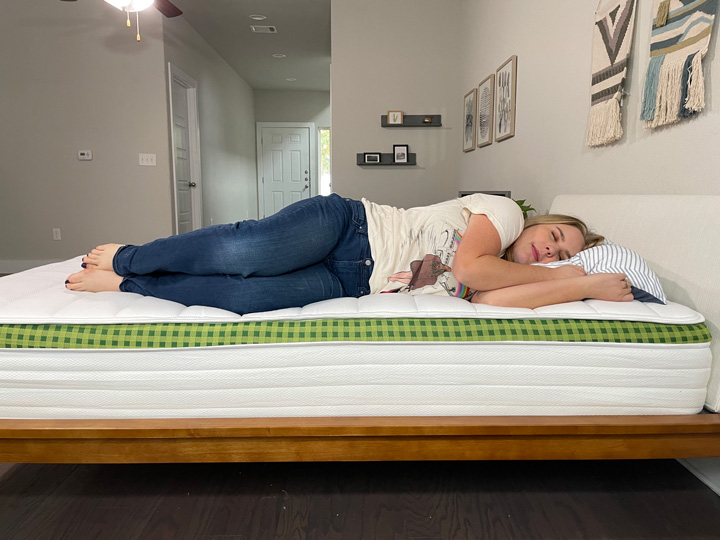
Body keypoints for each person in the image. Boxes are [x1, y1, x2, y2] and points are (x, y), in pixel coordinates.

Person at [65, 193, 634, 314]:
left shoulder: (513, 275)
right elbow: (468, 270)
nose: (547, 249)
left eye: (559, 254)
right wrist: (572, 275)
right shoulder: (504, 214)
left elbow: (487, 296)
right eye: (556, 236)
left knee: (246, 296)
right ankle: (131, 257)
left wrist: (579, 284)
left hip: (350, 284)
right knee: (245, 249)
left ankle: (132, 285)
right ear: (543, 222)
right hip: (347, 229)